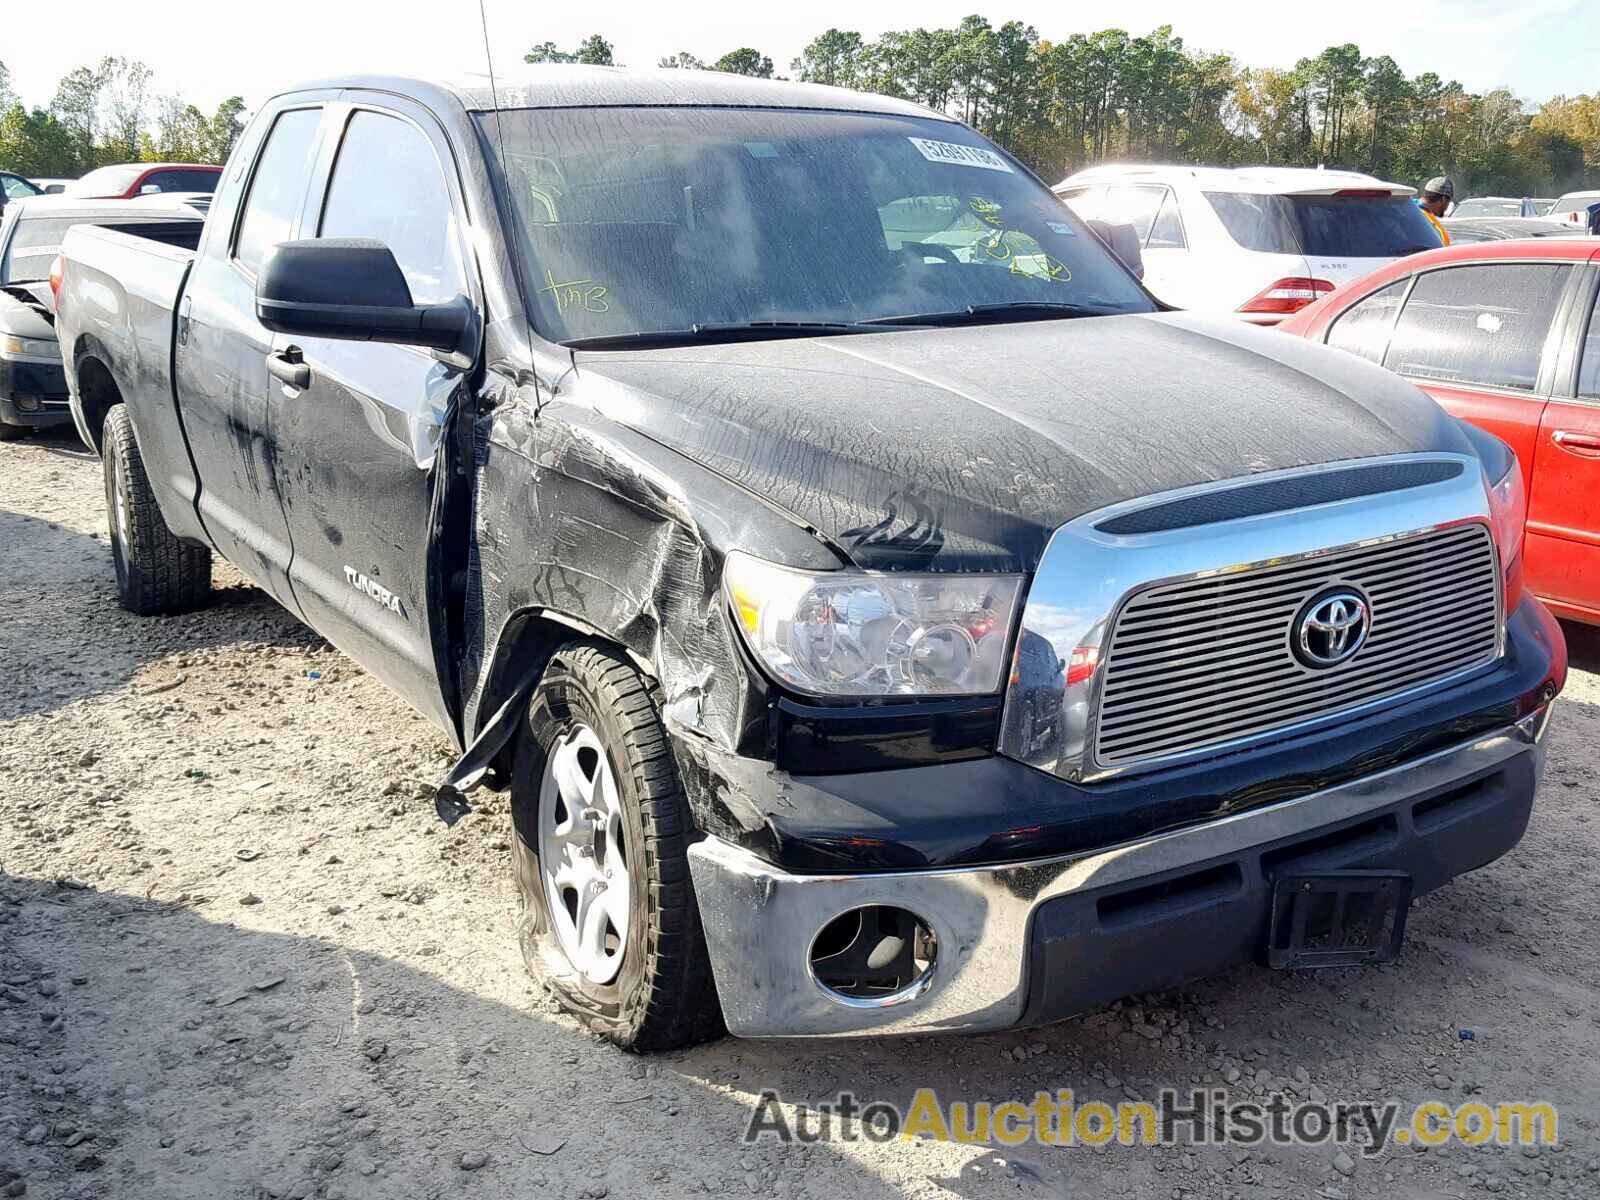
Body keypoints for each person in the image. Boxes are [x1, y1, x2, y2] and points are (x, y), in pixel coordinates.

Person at [1416, 176, 1453, 246]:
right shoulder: (1432, 228)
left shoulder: (1408, 208)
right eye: (1448, 201)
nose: (1447, 207)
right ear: (1443, 199)